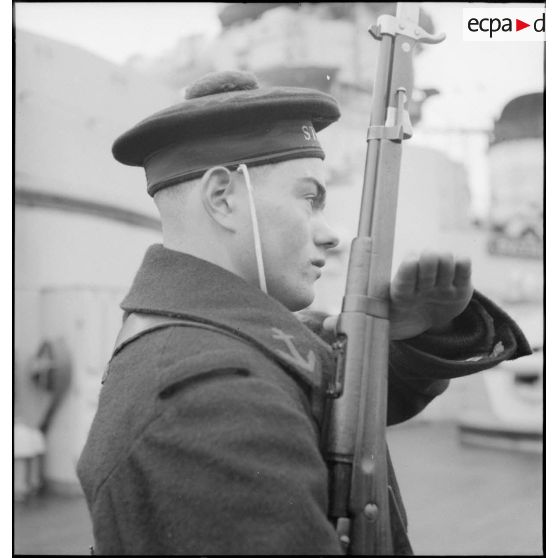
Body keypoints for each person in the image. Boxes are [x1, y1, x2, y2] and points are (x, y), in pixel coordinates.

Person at [77, 70, 530, 555]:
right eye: (310, 199)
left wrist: (409, 332)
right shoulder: (212, 399)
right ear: (223, 197)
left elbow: (320, 398)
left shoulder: (211, 343)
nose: (330, 234)